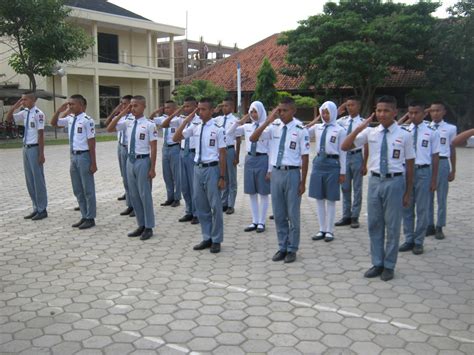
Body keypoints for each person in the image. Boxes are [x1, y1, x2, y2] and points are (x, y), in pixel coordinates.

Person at [342, 95, 414, 281]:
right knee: (375, 224)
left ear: (395, 112)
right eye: (379, 110)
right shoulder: (370, 133)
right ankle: (377, 263)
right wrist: (359, 128)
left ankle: (389, 265)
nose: (382, 114)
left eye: (386, 110)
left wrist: (407, 192)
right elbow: (345, 146)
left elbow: (410, 165)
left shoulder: (404, 135)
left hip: (395, 182)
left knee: (392, 226)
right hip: (375, 182)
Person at [250, 97, 310, 263]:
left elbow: (305, 158)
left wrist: (303, 181)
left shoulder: (300, 129)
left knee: (293, 214)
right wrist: (268, 120)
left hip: (292, 174)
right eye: (280, 110)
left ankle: (292, 248)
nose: (281, 113)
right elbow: (253, 138)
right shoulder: (274, 127)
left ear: (293, 111)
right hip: (276, 174)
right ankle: (282, 246)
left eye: (285, 110)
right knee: (279, 213)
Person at [173, 98, 227, 253]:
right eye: (199, 109)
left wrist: (222, 177)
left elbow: (222, 154)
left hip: (212, 169)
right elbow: (176, 138)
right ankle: (206, 237)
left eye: (203, 109)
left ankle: (216, 239)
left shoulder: (218, 128)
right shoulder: (195, 126)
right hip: (197, 169)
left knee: (215, 206)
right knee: (201, 204)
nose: (200, 112)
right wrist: (186, 121)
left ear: (211, 111)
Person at [106, 96, 157, 240]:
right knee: (133, 194)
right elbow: (109, 128)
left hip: (143, 160)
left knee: (144, 195)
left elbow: (153, 147)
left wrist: (152, 168)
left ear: (143, 107)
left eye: (136, 106)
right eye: (131, 106)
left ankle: (149, 226)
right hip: (130, 160)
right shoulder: (127, 122)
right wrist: (123, 113)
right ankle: (140, 224)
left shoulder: (149, 124)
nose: (133, 108)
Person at [399, 101, 439, 255]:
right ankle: (409, 239)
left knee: (422, 209)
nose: (413, 116)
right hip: (406, 171)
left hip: (423, 172)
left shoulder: (431, 132)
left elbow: (435, 157)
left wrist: (434, 179)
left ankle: (418, 241)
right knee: (406, 206)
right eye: (410, 113)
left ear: (424, 114)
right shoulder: (404, 131)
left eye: (416, 113)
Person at [51, 94, 97, 229]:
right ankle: (84, 215)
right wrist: (60, 110)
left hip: (84, 156)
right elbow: (54, 123)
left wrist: (93, 163)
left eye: (73, 104)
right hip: (73, 156)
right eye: (69, 104)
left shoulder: (88, 120)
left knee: (88, 189)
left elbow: (92, 143)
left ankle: (91, 217)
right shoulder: (70, 119)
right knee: (77, 189)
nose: (70, 106)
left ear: (81, 106)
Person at [227, 101, 270, 233]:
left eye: (255, 111)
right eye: (251, 111)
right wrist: (239, 122)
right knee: (251, 192)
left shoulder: (268, 127)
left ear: (261, 111)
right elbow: (229, 133)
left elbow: (272, 149)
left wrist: (270, 169)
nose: (253, 114)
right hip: (250, 159)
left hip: (263, 158)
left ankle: (262, 222)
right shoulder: (247, 127)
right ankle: (254, 221)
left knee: (263, 192)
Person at [308, 101, 346, 242]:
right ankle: (321, 229)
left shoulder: (340, 130)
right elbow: (303, 131)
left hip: (332, 164)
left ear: (334, 113)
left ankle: (329, 230)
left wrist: (343, 172)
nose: (325, 115)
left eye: (327, 112)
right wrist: (316, 120)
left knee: (330, 198)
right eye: (322, 112)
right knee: (319, 198)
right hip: (319, 163)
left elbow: (343, 152)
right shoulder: (317, 128)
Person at [6, 92, 48, 220]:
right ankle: (36, 207)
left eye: (25, 100)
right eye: (22, 99)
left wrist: (41, 153)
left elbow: (41, 134)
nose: (23, 102)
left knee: (38, 180)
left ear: (33, 100)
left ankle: (42, 209)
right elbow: (9, 119)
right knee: (30, 180)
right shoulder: (25, 113)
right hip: (25, 148)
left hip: (34, 148)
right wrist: (15, 106)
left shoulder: (38, 114)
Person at [164, 97, 200, 224]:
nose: (186, 109)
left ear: (196, 106)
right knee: (185, 185)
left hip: (193, 154)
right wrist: (182, 117)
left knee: (194, 186)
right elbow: (165, 124)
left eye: (188, 107)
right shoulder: (181, 120)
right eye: (184, 107)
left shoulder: (200, 121)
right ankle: (189, 211)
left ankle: (197, 213)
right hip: (182, 153)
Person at [426, 101, 457, 240]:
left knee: (441, 197)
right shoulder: (425, 127)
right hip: (429, 164)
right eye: (432, 111)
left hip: (443, 163)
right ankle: (429, 225)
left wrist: (453, 170)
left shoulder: (450, 128)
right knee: (427, 197)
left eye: (438, 110)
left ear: (444, 112)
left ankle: (440, 226)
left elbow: (452, 148)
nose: (435, 113)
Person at [335, 97, 367, 228]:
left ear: (358, 106)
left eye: (352, 105)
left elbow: (366, 144)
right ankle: (346, 215)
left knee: (357, 188)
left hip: (357, 156)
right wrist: (339, 109)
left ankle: (355, 216)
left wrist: (365, 163)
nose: (349, 107)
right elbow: (329, 119)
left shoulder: (363, 122)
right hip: (344, 157)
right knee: (345, 187)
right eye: (347, 105)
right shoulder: (342, 121)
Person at [104, 95, 135, 216]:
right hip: (121, 147)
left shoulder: (133, 118)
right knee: (125, 177)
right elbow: (107, 124)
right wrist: (116, 112)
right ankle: (130, 203)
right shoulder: (120, 117)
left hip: (129, 149)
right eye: (121, 104)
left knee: (131, 178)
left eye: (125, 104)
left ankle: (134, 205)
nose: (123, 106)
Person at [150, 100, 181, 208]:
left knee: (176, 175)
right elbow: (150, 119)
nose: (166, 109)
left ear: (174, 108)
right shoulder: (162, 118)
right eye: (165, 108)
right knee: (167, 174)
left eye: (168, 108)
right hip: (165, 148)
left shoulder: (178, 119)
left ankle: (177, 198)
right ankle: (170, 197)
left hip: (175, 148)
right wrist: (156, 111)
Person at [215, 97, 241, 215]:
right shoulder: (218, 119)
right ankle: (223, 203)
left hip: (230, 150)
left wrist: (237, 156)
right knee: (223, 176)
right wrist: (216, 110)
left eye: (227, 106)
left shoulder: (235, 120)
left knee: (232, 178)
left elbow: (238, 139)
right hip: (220, 152)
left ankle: (231, 204)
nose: (224, 108)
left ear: (232, 107)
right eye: (223, 106)